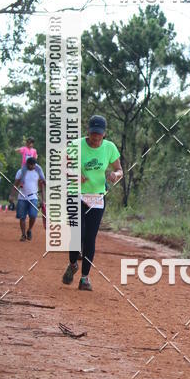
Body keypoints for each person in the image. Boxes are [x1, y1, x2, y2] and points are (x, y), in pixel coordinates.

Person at [62, 115, 123, 292]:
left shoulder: (109, 147)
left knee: (90, 238)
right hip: (76, 194)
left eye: (99, 134)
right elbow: (62, 167)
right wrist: (74, 174)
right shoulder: (76, 146)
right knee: (77, 234)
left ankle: (84, 278)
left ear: (104, 133)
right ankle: (73, 264)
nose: (96, 137)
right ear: (88, 131)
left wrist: (115, 175)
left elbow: (119, 170)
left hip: (96, 197)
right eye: (93, 133)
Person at [11, 155, 46, 241]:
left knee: (33, 215)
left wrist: (43, 199)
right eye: (31, 165)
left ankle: (29, 230)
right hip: (22, 197)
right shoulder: (20, 172)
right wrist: (11, 195)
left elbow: (41, 186)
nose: (33, 166)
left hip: (33, 197)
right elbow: (16, 184)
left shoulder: (38, 172)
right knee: (22, 217)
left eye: (34, 165)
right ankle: (23, 234)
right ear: (27, 164)